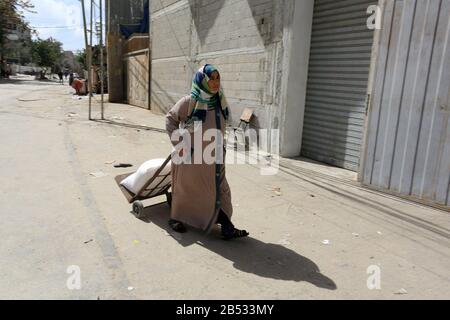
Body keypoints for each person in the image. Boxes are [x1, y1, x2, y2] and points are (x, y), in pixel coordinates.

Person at [165, 64, 249, 240]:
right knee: (187, 190)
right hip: (190, 158)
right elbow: (170, 120)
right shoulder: (190, 101)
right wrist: (181, 144)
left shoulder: (219, 101)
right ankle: (175, 218)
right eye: (211, 78)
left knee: (220, 191)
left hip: (215, 157)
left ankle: (226, 225)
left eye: (218, 78)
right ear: (202, 80)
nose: (215, 82)